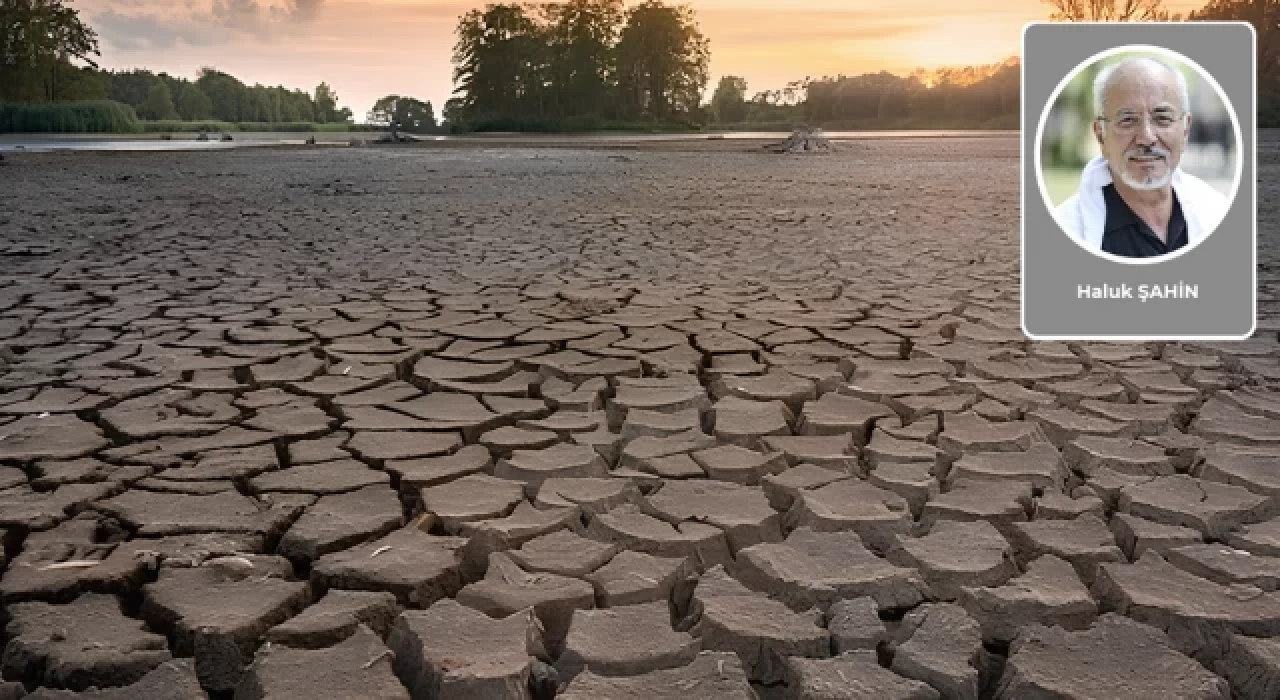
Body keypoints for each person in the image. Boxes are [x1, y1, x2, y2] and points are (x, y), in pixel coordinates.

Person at [1054, 56, 1229, 259]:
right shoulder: (1065, 232)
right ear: (1100, 133)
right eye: (1128, 120)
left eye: (1162, 118)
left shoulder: (1216, 212)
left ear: (1185, 129)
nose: (1146, 138)